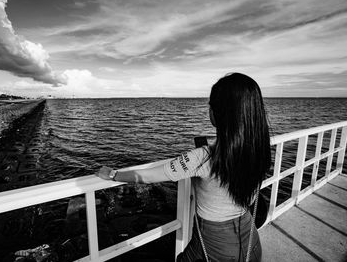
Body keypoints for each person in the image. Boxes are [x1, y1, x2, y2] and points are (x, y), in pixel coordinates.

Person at [96, 73, 271, 262]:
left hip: (214, 249)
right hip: (251, 244)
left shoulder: (202, 157)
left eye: (210, 105)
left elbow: (147, 176)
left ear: (217, 113)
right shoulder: (258, 150)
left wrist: (114, 174)